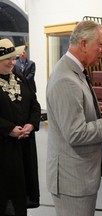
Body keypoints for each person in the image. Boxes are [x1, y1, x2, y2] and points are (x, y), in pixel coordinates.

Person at [46, 20, 102, 216]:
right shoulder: (66, 79)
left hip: (78, 177)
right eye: (100, 45)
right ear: (83, 43)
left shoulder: (74, 72)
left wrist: (98, 112)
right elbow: (75, 133)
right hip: (72, 181)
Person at [0, 38, 41, 215]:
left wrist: (31, 124)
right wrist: (8, 128)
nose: (12, 62)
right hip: (3, 149)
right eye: (7, 58)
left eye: (14, 58)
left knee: (21, 192)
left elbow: (35, 105)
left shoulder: (20, 78)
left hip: (24, 148)